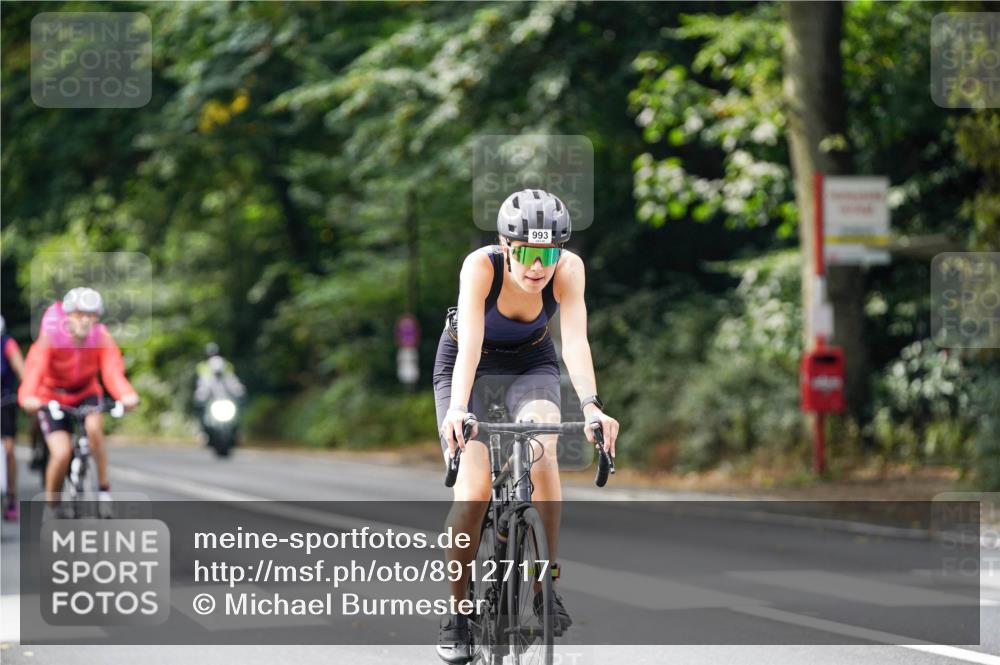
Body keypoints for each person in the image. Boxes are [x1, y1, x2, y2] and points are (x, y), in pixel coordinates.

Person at [433, 189, 620, 663]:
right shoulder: (481, 267)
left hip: (531, 362)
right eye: (530, 253)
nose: (540, 266)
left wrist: (593, 407)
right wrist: (458, 410)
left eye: (550, 253)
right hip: (468, 365)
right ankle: (457, 614)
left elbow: (574, 342)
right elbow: (471, 346)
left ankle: (543, 587)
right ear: (506, 245)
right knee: (473, 494)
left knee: (545, 448)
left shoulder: (569, 271)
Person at [18, 288, 140, 515]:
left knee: (94, 430)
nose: (85, 320)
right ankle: (51, 507)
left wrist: (127, 395)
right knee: (62, 452)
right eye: (78, 314)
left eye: (91, 315)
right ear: (67, 315)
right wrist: (28, 397)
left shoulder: (101, 337)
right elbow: (35, 371)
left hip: (85, 392)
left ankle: (104, 489)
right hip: (51, 395)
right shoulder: (51, 337)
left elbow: (113, 373)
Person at [1, 315, 26, 521]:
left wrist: (27, 390)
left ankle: (10, 497)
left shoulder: (7, 343)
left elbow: (22, 370)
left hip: (5, 403)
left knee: (9, 450)